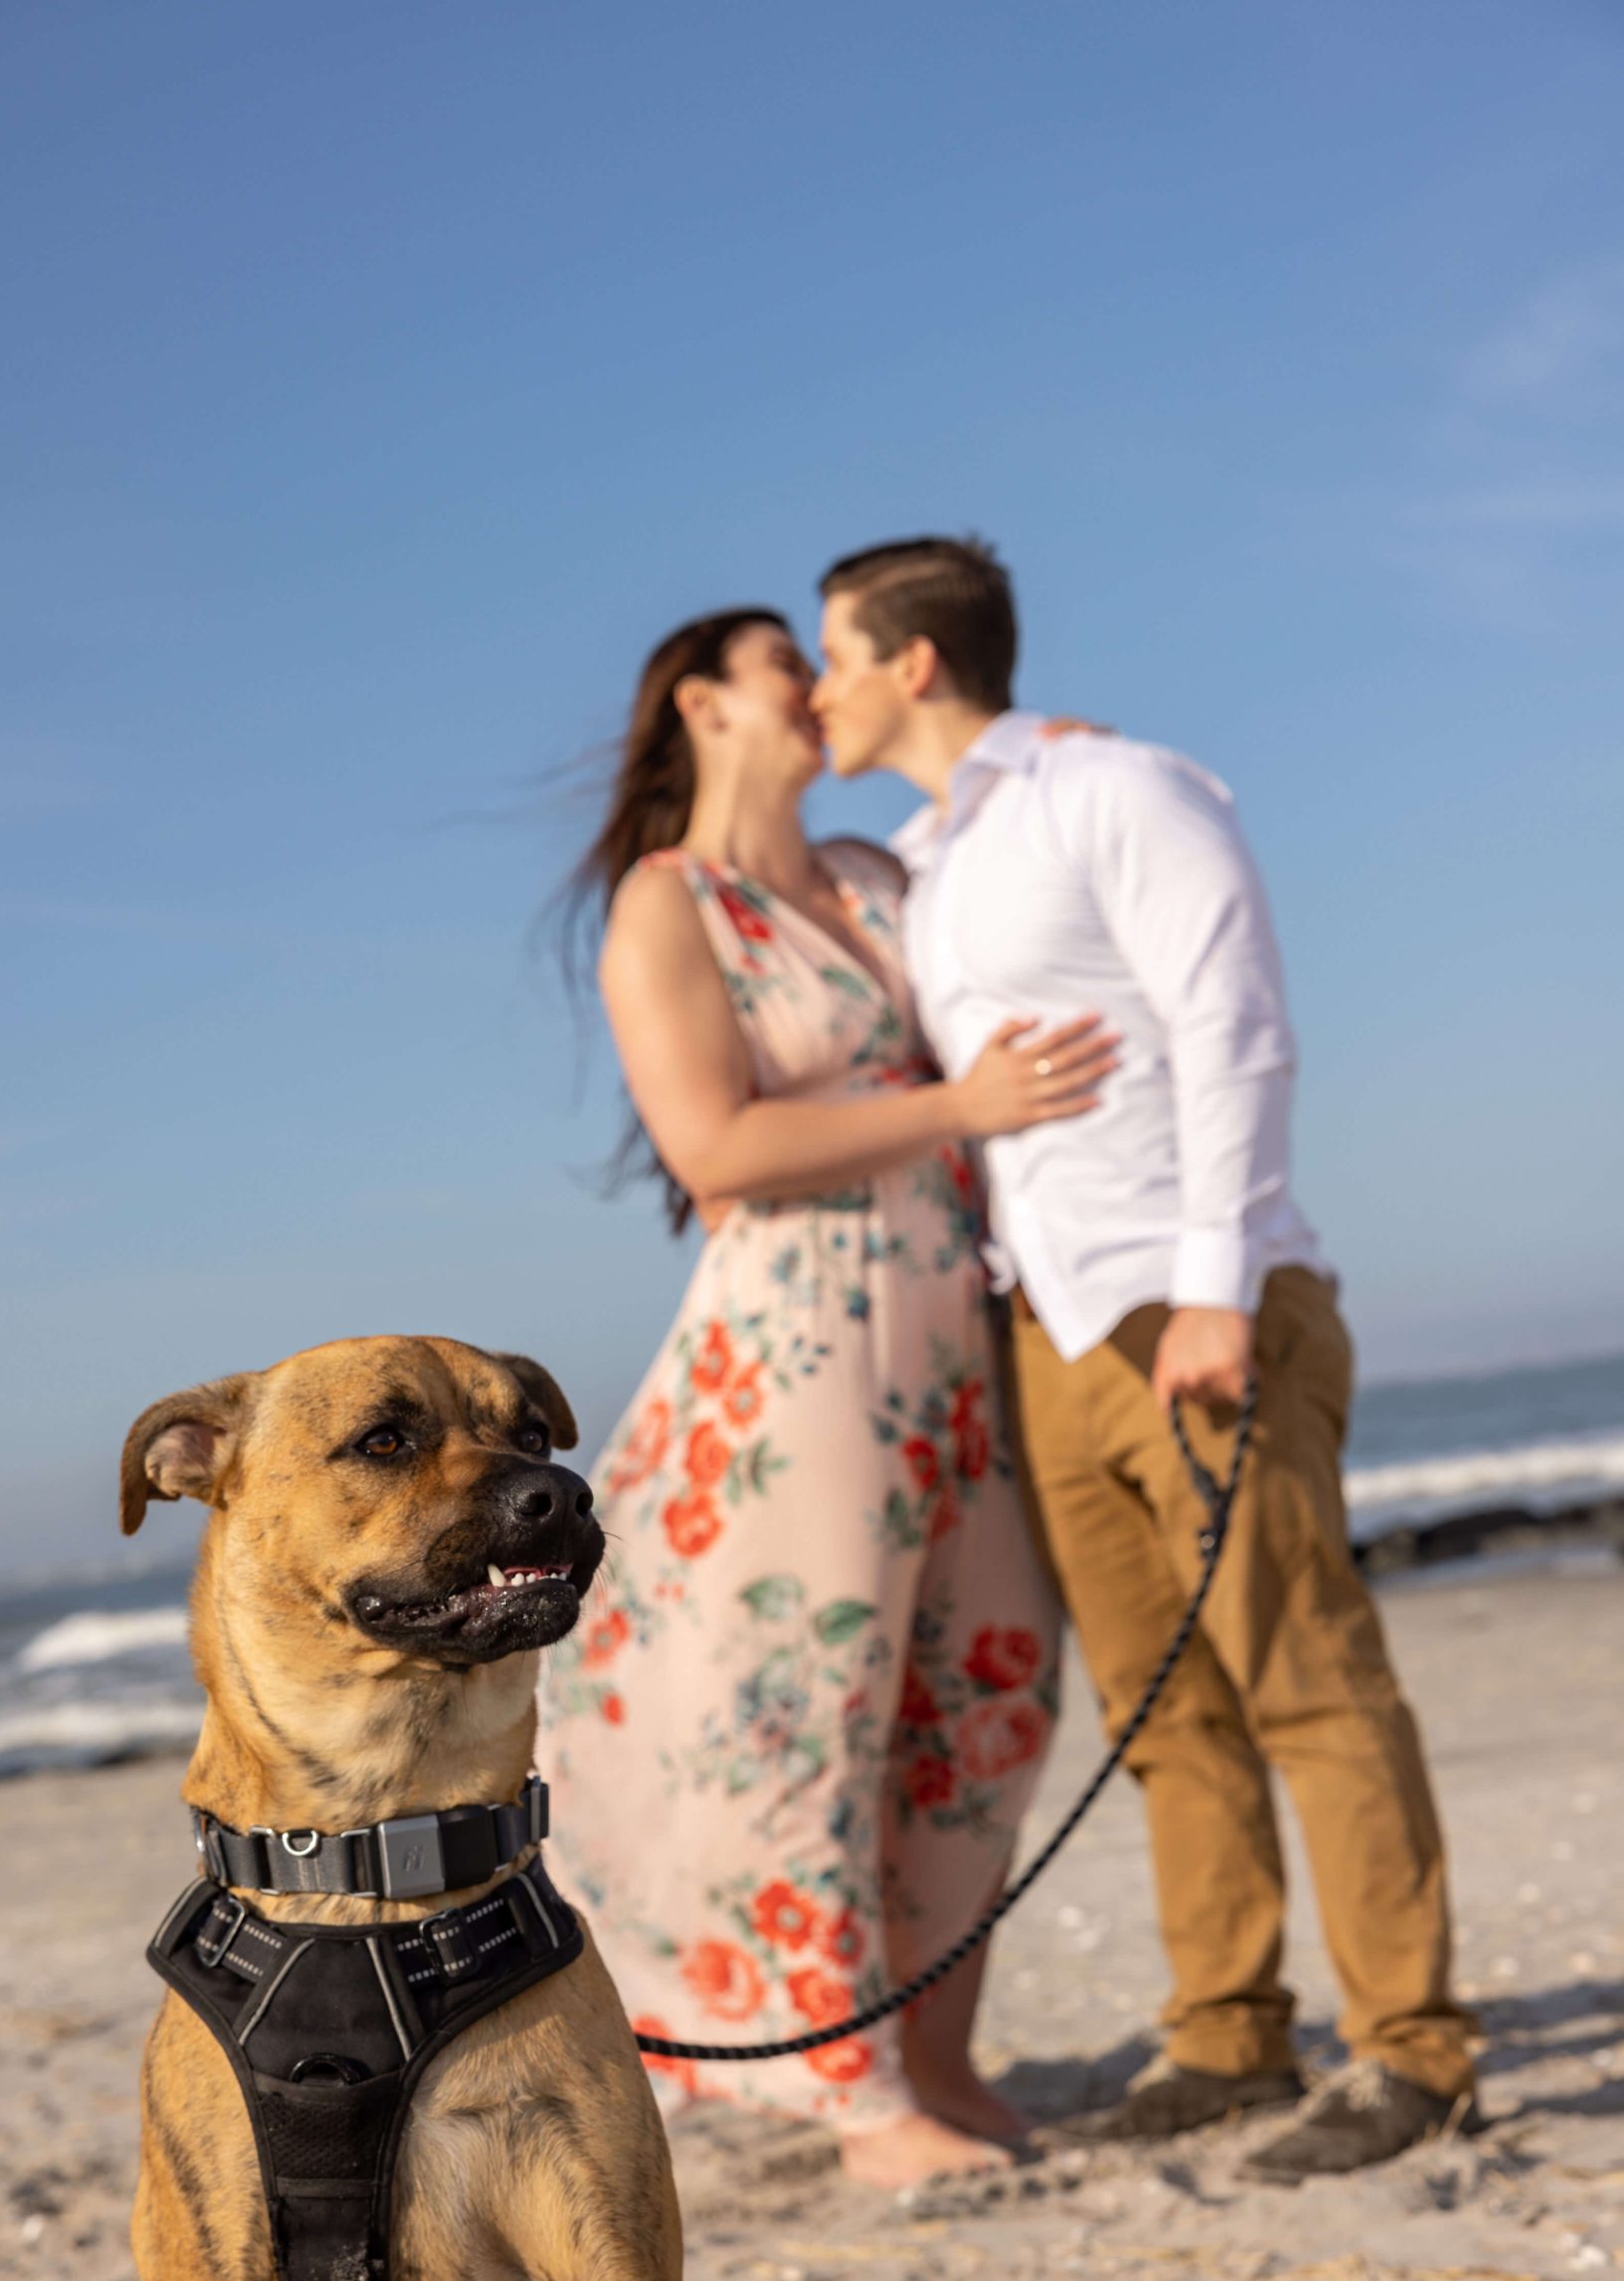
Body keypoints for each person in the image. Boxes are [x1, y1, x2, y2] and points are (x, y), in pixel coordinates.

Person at [810, 538, 1477, 2181]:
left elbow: (1233, 1025)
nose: (818, 687)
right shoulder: (922, 855)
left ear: (911, 662)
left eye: (832, 653)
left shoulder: (1120, 789)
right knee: (1162, 1705)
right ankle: (1230, 2033)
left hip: (1191, 1305)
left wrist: (1217, 1288)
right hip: (1041, 1328)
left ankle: (1412, 2050)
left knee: (1305, 1675)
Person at [541, 606, 1118, 2189]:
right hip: (796, 1349)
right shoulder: (667, 911)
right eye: (782, 662)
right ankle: (855, 2096)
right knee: (810, 1710)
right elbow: (713, 1149)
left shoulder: (878, 877)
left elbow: (1007, 899)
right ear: (702, 707)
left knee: (990, 1699)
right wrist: (961, 1103)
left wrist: (1048, 764)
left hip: (950, 1337)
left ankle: (938, 2047)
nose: (815, 683)